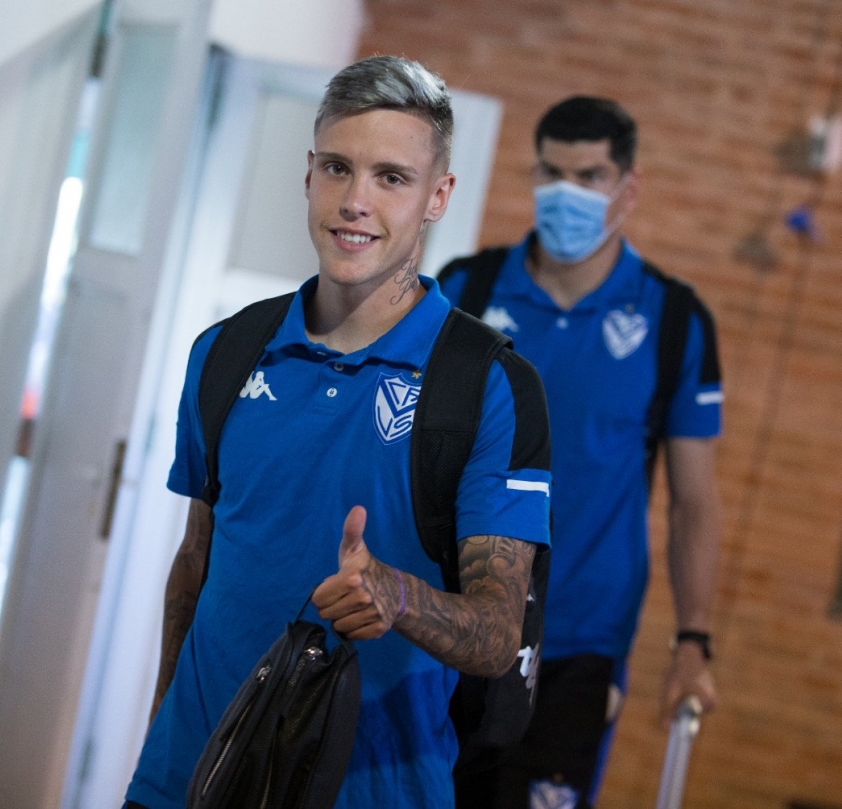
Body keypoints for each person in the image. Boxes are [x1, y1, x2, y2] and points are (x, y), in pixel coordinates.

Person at [123, 55, 552, 809]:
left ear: (438, 196)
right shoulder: (226, 350)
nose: (355, 201)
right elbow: (195, 564)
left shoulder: (487, 386)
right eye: (337, 168)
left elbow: (496, 633)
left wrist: (399, 596)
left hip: (372, 789)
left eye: (391, 178)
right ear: (309, 174)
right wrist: (162, 746)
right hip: (187, 777)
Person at [438, 96, 723, 809]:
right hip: (452, 618)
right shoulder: (465, 290)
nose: (567, 194)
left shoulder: (674, 320)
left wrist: (693, 641)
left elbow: (693, 504)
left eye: (590, 176)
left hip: (582, 642)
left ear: (628, 188)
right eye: (552, 173)